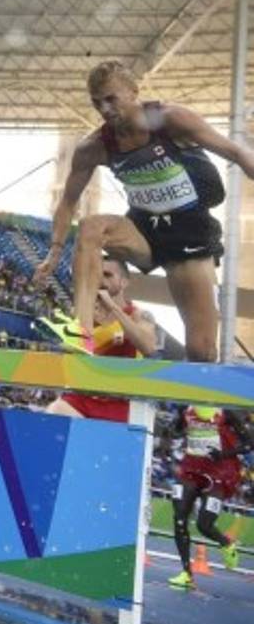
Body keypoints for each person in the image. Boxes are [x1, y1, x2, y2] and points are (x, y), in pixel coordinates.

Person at [34, 61, 254, 361]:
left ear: (133, 91)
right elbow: (68, 202)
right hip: (144, 231)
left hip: (189, 236)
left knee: (201, 351)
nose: (105, 109)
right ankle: (81, 333)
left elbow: (237, 153)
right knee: (90, 227)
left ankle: (201, 390)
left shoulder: (171, 120)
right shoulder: (94, 147)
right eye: (97, 103)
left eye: (111, 99)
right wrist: (55, 251)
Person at [43, 258, 158, 422]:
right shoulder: (84, 314)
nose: (101, 281)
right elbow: (71, 356)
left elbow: (149, 347)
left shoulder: (138, 314)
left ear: (124, 282)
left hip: (122, 400)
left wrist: (113, 308)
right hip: (83, 397)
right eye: (97, 276)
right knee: (53, 415)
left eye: (107, 275)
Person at [166, 405, 252, 589]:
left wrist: (223, 454)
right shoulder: (186, 407)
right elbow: (175, 431)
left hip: (219, 473)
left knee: (204, 525)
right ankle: (187, 574)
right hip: (191, 470)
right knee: (179, 518)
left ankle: (226, 543)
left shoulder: (226, 412)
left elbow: (249, 444)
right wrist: (177, 424)